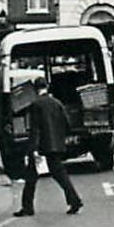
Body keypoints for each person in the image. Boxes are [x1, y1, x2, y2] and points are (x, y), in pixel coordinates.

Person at [17, 76, 83, 217]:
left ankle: (27, 207)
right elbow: (67, 124)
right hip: (56, 145)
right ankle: (74, 200)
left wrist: (33, 149)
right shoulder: (57, 103)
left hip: (41, 146)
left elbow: (35, 129)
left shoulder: (35, 105)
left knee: (31, 178)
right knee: (60, 175)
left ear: (35, 89)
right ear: (46, 86)